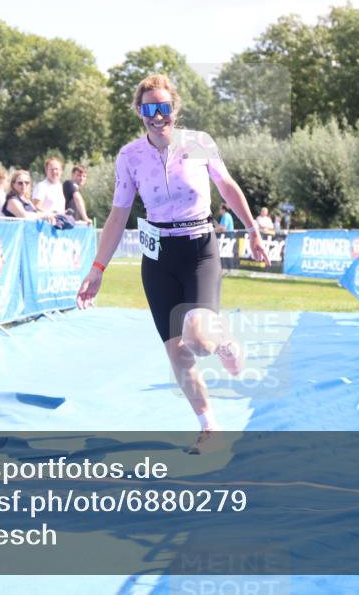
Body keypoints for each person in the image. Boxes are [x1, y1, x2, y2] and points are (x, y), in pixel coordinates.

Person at [76, 74, 268, 443]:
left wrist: (252, 229)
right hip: (158, 257)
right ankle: (209, 426)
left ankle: (224, 342)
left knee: (200, 341)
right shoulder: (129, 156)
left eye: (163, 108)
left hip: (199, 248)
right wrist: (98, 269)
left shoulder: (199, 144)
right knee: (178, 353)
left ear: (174, 109)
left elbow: (227, 186)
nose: (157, 116)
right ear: (139, 112)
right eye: (149, 109)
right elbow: (118, 215)